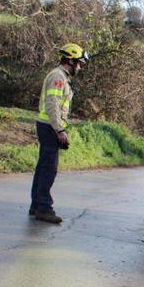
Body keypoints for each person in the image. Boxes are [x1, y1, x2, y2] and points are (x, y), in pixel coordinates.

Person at [30, 43, 89, 224]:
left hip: (47, 126)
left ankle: (36, 204)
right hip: (50, 126)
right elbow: (52, 105)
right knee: (49, 168)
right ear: (70, 60)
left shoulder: (60, 76)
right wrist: (59, 129)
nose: (79, 67)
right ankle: (44, 208)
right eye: (78, 63)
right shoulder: (58, 77)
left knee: (43, 166)